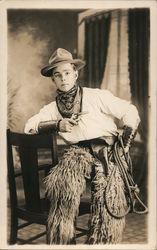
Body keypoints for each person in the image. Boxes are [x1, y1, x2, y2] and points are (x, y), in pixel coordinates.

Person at [24, 48, 140, 245]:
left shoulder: (96, 96)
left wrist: (124, 147)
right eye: (57, 75)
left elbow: (131, 112)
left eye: (67, 73)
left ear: (75, 74)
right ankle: (64, 239)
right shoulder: (52, 109)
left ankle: (102, 241)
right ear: (53, 80)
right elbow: (28, 127)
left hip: (108, 152)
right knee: (62, 184)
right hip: (79, 153)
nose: (63, 78)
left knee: (108, 196)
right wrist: (57, 124)